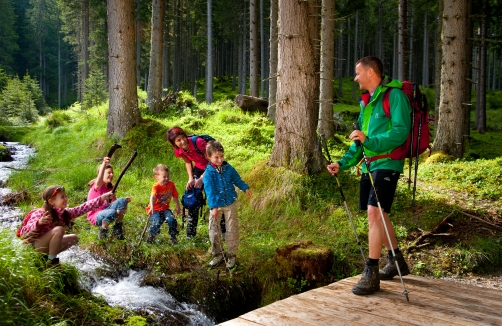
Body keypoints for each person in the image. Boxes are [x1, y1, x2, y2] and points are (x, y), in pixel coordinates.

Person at [327, 56, 411, 295]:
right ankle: (397, 260)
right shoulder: (367, 103)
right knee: (378, 214)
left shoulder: (395, 97)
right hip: (369, 166)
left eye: (357, 73)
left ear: (371, 73)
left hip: (387, 163)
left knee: (375, 212)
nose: (355, 78)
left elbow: (400, 132)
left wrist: (371, 141)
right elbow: (359, 141)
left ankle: (371, 272)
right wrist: (341, 164)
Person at [17, 185, 114, 265]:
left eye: (65, 196)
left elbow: (83, 207)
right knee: (59, 230)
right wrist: (38, 223)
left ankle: (47, 257)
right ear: (51, 201)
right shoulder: (40, 213)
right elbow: (23, 234)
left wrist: (102, 198)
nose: (66, 199)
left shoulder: (64, 213)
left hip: (43, 248)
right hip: (32, 248)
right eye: (62, 197)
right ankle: (51, 262)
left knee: (74, 238)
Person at [166, 126, 226, 239]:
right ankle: (190, 233)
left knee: (216, 199)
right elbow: (188, 162)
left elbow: (213, 161)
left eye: (183, 137)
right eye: (178, 140)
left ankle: (223, 231)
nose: (182, 141)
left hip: (213, 168)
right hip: (198, 169)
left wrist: (201, 179)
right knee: (192, 198)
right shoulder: (178, 150)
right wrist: (191, 178)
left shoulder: (198, 142)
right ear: (174, 143)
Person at [203, 141, 251, 269]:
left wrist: (244, 188)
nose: (220, 160)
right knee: (214, 230)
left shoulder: (228, 168)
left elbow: (237, 179)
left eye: (222, 156)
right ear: (209, 157)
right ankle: (218, 253)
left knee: (232, 228)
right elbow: (209, 191)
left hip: (230, 202)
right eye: (216, 157)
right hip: (216, 205)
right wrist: (213, 207)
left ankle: (231, 255)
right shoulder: (208, 173)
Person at [87, 157, 130, 240]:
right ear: (102, 174)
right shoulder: (98, 185)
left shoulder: (110, 187)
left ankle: (117, 227)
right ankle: (103, 232)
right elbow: (99, 177)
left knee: (122, 201)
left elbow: (116, 202)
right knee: (112, 212)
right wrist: (104, 164)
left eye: (112, 173)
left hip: (106, 210)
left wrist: (125, 202)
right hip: (95, 216)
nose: (112, 175)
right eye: (109, 173)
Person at [145, 164, 181, 244]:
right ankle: (151, 236)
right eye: (164, 177)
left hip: (165, 209)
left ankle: (173, 237)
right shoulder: (156, 186)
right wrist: (152, 207)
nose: (167, 178)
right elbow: (153, 197)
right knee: (156, 222)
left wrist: (178, 206)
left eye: (168, 176)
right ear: (156, 177)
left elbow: (175, 196)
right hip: (155, 209)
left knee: (172, 220)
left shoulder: (171, 184)